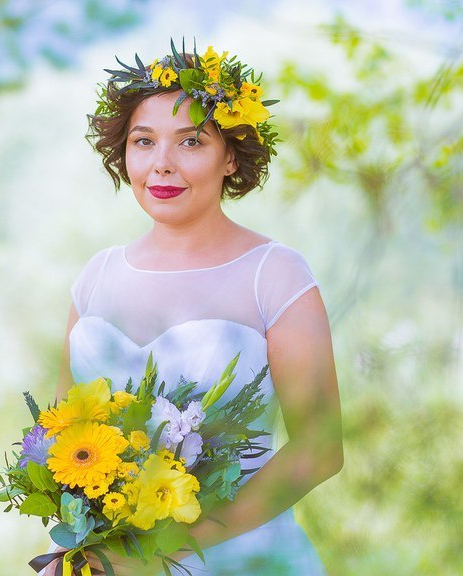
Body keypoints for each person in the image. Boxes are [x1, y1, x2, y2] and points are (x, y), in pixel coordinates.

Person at [43, 42, 342, 575]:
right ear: (124, 153)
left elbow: (320, 449)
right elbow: (65, 447)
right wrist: (81, 552)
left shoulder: (274, 275)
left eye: (191, 141)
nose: (162, 164)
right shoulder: (95, 278)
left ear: (230, 156)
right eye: (144, 141)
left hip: (243, 562)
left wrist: (159, 550)